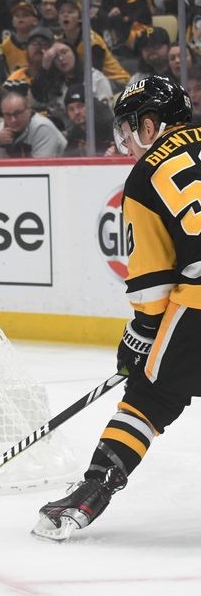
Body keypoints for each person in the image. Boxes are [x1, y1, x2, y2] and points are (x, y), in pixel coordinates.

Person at [32, 76, 197, 541]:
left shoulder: (147, 175)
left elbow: (152, 282)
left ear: (151, 124)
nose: (125, 139)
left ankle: (93, 491)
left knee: (152, 395)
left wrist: (141, 335)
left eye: (129, 127)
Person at [0, 90, 66, 158]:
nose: (13, 120)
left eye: (17, 113)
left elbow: (41, 168)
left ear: (29, 110)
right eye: (7, 115)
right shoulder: (3, 126)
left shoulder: (42, 127)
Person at [0, 1, 40, 74]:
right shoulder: (6, 45)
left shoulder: (41, 43)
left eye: (25, 15)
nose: (20, 18)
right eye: (17, 15)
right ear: (12, 21)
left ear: (35, 21)